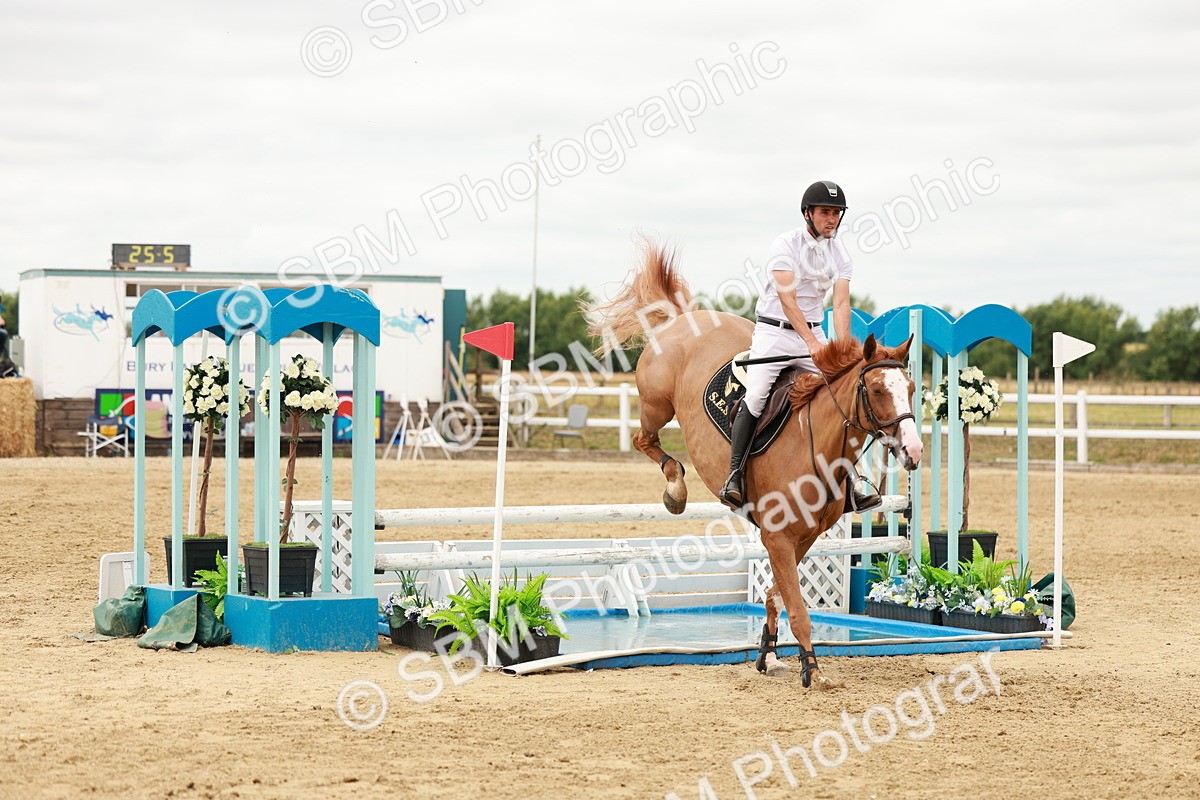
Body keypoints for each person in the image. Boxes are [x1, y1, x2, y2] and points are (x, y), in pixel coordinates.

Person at [718, 180, 881, 512]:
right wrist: (810, 343)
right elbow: (786, 298)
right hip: (775, 330)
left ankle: (851, 480)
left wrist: (843, 348)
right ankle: (734, 475)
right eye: (825, 212)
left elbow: (841, 301)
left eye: (836, 213)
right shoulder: (785, 244)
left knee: (842, 393)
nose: (831, 219)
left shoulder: (840, 254)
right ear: (808, 213)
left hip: (815, 332)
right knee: (758, 393)